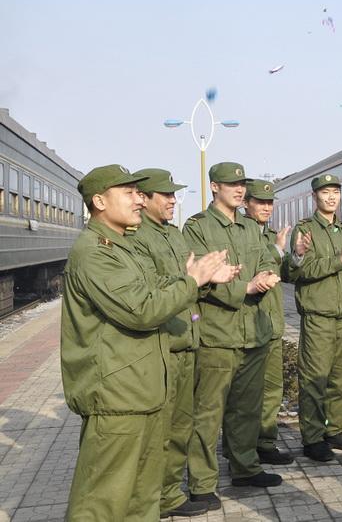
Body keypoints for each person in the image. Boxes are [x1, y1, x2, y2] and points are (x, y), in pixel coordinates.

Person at [61, 165, 234, 521]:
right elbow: (141, 309)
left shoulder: (122, 248)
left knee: (142, 497)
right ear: (99, 201)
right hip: (116, 395)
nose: (138, 200)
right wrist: (192, 281)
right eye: (129, 193)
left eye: (139, 193)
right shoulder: (96, 252)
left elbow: (153, 289)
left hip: (141, 390)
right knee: (103, 501)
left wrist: (194, 280)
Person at [183, 162, 284, 510]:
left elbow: (267, 261)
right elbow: (198, 281)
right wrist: (246, 286)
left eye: (242, 184)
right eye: (231, 185)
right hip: (218, 334)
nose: (239, 190)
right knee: (208, 413)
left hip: (253, 332)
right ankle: (202, 484)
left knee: (246, 409)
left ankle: (244, 468)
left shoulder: (250, 227)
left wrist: (267, 275)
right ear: (214, 187)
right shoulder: (197, 228)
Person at [129, 169, 208, 518]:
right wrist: (190, 277)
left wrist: (207, 277)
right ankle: (150, 498)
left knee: (180, 425)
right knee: (159, 432)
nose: (174, 200)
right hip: (162, 347)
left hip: (186, 340)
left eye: (174, 195)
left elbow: (187, 284)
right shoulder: (137, 238)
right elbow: (152, 288)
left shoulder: (173, 235)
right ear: (143, 199)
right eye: (166, 195)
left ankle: (170, 494)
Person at [282, 174, 342, 462]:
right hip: (318, 315)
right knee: (315, 379)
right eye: (325, 193)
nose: (331, 197)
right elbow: (299, 272)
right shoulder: (305, 231)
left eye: (335, 193)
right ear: (314, 196)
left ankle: (335, 429)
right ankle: (313, 437)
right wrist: (339, 260)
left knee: (341, 379)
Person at [243, 179, 294, 465]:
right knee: (248, 394)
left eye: (269, 202)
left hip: (272, 323)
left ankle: (265, 443)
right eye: (259, 202)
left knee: (273, 389)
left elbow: (285, 276)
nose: (265, 207)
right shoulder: (243, 235)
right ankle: (244, 449)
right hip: (249, 325)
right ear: (246, 203)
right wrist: (276, 251)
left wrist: (295, 255)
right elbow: (254, 270)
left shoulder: (272, 235)